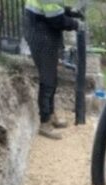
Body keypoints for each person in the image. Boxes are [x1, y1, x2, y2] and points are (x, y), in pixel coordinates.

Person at [23, 0, 83, 139]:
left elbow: (54, 8)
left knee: (51, 78)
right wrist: (76, 24)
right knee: (47, 79)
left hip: (43, 33)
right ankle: (45, 122)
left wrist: (70, 11)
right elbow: (56, 19)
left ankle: (50, 115)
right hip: (41, 36)